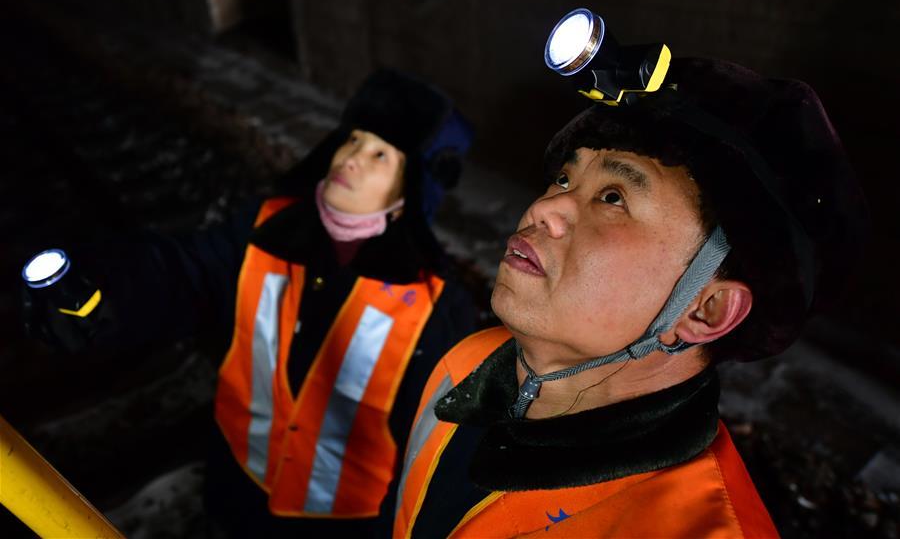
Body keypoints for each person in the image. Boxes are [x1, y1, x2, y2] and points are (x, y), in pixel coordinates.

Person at [393, 58, 868, 538]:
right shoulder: (464, 365)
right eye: (564, 179)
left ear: (706, 310)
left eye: (613, 198)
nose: (545, 207)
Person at [25, 69, 477, 537]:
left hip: (345, 525)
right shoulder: (266, 229)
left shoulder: (437, 306)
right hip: (239, 493)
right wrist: (103, 289)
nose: (352, 158)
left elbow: (438, 449)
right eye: (354, 139)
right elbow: (180, 274)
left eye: (380, 154)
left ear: (409, 192)